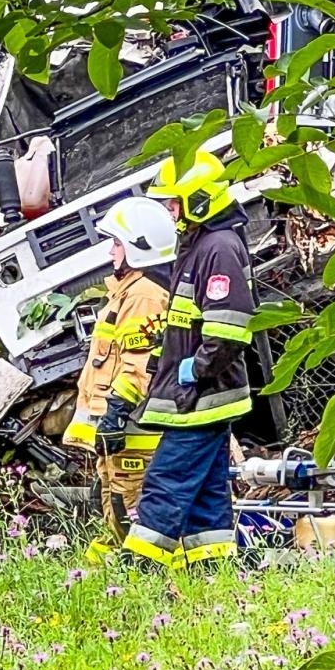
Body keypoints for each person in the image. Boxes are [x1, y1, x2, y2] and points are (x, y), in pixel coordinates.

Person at [123, 150, 257, 571]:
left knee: (167, 482)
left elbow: (229, 328)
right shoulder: (201, 242)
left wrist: (194, 372)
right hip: (199, 395)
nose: (169, 211)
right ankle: (211, 565)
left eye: (174, 202)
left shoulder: (218, 247)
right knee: (206, 494)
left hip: (202, 397)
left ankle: (139, 569)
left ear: (199, 199)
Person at [62, 197, 176, 562]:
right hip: (118, 425)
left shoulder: (144, 296)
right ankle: (117, 564)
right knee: (111, 495)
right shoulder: (128, 291)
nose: (111, 251)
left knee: (128, 500)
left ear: (137, 247)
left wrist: (116, 412)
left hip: (132, 426)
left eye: (117, 243)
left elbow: (138, 364)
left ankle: (140, 567)